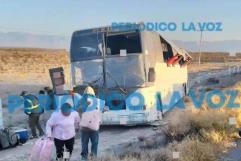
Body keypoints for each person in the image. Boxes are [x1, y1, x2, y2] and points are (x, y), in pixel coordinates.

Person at [79, 86, 101, 160]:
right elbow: (99, 112)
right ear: (93, 93)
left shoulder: (80, 100)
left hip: (84, 127)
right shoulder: (97, 101)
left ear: (84, 92)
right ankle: (93, 158)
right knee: (94, 143)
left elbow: (76, 110)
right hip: (94, 127)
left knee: (84, 143)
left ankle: (84, 158)